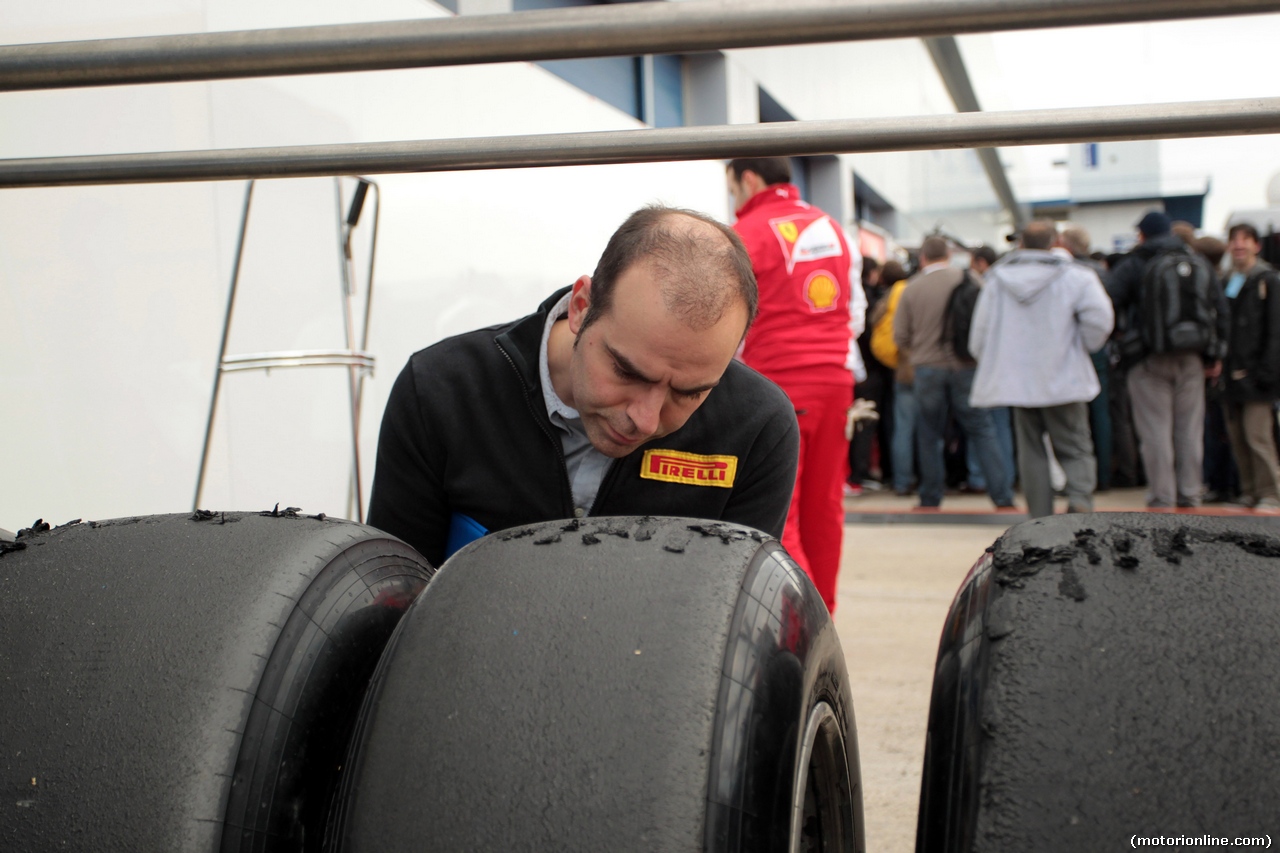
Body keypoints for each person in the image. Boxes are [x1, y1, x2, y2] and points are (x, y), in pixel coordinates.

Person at [367, 205, 801, 568]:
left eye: (689, 393)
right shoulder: (442, 392)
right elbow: (393, 603)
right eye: (628, 373)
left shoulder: (758, 428)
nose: (645, 420)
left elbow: (736, 626)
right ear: (581, 308)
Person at [726, 157, 861, 612]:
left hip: (780, 382)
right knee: (826, 508)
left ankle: (802, 626)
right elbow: (854, 311)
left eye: (732, 188)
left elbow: (728, 320)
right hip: (836, 380)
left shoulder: (746, 232)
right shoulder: (832, 227)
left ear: (747, 178)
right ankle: (826, 617)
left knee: (783, 509)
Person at [969, 220, 1115, 517]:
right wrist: (1083, 346)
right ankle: (1079, 503)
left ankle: (1039, 517)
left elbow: (980, 333)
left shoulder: (997, 279)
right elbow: (1100, 320)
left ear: (1021, 243)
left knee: (1031, 450)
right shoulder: (1077, 277)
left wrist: (997, 363)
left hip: (1018, 381)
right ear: (1056, 242)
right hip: (1064, 375)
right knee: (1074, 445)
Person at [1105, 210, 1227, 508]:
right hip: (1192, 358)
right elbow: (1220, 310)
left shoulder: (1133, 263)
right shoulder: (1196, 262)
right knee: (1189, 430)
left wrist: (1121, 337)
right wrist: (1215, 354)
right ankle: (1190, 492)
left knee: (1155, 431)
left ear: (1143, 234)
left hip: (1148, 358)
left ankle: (1162, 496)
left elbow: (1107, 301)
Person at [893, 236, 1014, 510]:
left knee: (929, 433)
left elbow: (900, 336)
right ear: (948, 255)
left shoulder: (911, 289)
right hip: (966, 366)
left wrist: (921, 349)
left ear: (923, 258)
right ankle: (1002, 496)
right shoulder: (971, 280)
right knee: (982, 429)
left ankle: (931, 497)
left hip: (927, 368)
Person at [1221, 223, 1280, 510]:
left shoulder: (1268, 280)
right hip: (1233, 373)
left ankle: (1269, 492)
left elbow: (1275, 330)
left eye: (1245, 240)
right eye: (1234, 241)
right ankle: (1250, 491)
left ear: (1257, 245)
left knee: (1258, 436)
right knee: (1238, 437)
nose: (1238, 246)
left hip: (1258, 374)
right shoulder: (1231, 280)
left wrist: (1268, 370)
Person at [869, 260, 914, 495]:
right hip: (917, 363)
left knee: (901, 426)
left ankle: (900, 480)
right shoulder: (913, 290)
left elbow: (874, 321)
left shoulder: (887, 296)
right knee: (928, 429)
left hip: (896, 366)